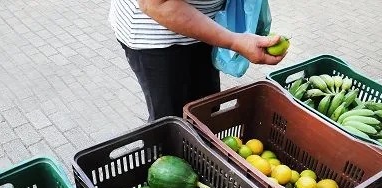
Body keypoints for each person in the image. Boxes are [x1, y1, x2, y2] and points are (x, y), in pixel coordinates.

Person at [109, 0, 286, 121]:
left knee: (205, 110)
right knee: (173, 121)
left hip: (207, 28)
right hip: (159, 39)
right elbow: (157, 4)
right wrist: (234, 41)